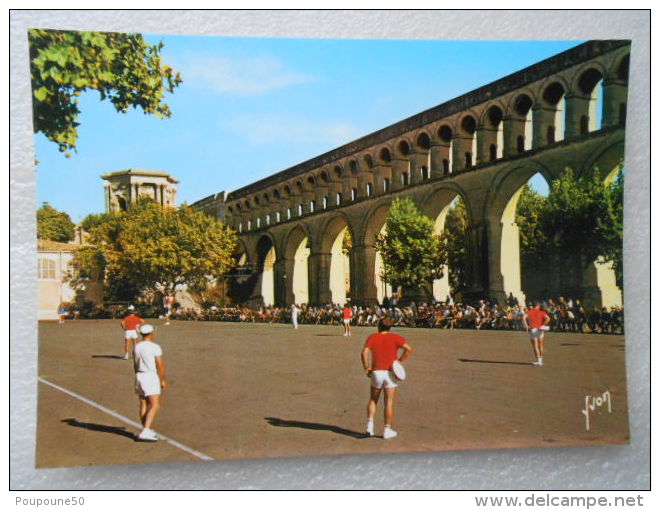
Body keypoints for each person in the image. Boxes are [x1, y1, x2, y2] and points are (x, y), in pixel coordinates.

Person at [361, 318, 413, 439]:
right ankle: (387, 430)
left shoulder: (373, 337)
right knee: (388, 402)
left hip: (376, 371)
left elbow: (364, 352)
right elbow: (409, 349)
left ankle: (369, 427)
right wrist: (399, 362)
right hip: (390, 372)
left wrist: (366, 367)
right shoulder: (395, 337)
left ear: (379, 326)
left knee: (373, 399)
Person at [133, 324, 167, 442]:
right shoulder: (155, 347)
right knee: (155, 404)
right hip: (150, 376)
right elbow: (160, 365)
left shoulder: (137, 346)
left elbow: (135, 364)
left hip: (139, 375)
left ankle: (145, 429)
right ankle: (146, 430)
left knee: (144, 404)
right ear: (151, 334)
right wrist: (162, 379)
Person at [522, 301, 551, 366]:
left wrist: (526, 325)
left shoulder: (530, 312)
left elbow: (524, 317)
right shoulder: (541, 312)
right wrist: (543, 324)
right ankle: (541, 360)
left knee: (535, 345)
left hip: (533, 329)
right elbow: (548, 318)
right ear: (538, 306)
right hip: (540, 329)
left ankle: (539, 361)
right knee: (541, 345)